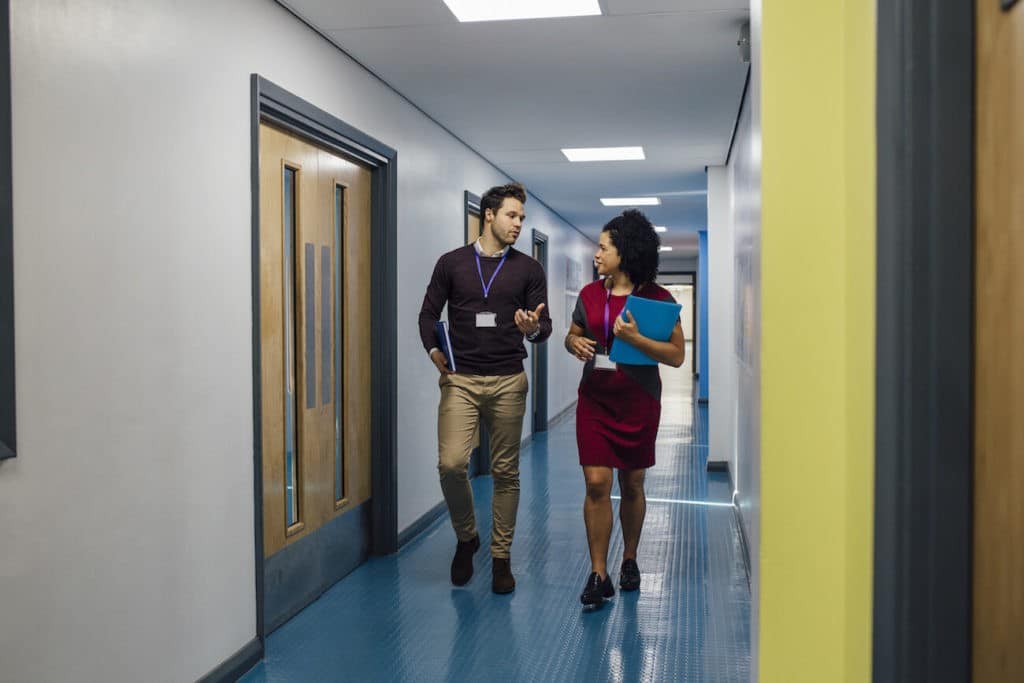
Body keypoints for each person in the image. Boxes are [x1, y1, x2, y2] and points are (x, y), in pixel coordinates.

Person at [418, 182, 552, 594]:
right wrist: (434, 352)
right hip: (460, 381)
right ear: (489, 214)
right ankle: (466, 537)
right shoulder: (452, 263)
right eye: (512, 216)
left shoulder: (529, 269)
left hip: (509, 379)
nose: (518, 225)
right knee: (452, 464)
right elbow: (427, 314)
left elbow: (544, 327)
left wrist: (533, 329)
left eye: (522, 219)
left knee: (505, 471)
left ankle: (500, 557)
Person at [564, 209, 685, 607]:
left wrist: (636, 339)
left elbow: (676, 356)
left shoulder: (657, 299)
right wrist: (573, 343)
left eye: (603, 247)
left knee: (631, 483)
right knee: (597, 483)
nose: (596, 254)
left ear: (624, 252)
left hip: (638, 400)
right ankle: (598, 572)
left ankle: (629, 558)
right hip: (595, 399)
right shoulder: (589, 295)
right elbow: (574, 333)